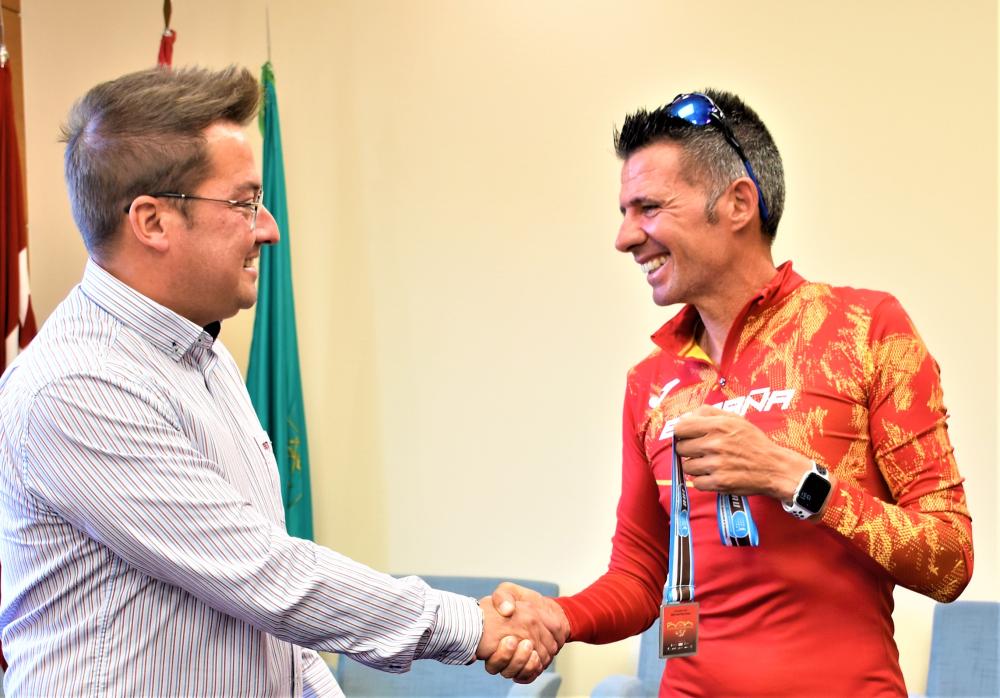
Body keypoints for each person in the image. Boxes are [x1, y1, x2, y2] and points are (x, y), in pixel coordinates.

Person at [0, 65, 563, 696]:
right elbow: (262, 575)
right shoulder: (77, 385)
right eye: (243, 202)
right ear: (152, 221)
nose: (268, 227)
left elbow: (265, 629)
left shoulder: (202, 358)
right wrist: (467, 624)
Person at [493, 89, 974, 696]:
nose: (624, 237)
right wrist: (560, 618)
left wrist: (796, 480)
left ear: (738, 202)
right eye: (623, 211)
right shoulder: (650, 381)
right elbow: (640, 575)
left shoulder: (867, 329)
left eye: (647, 207)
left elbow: (950, 560)